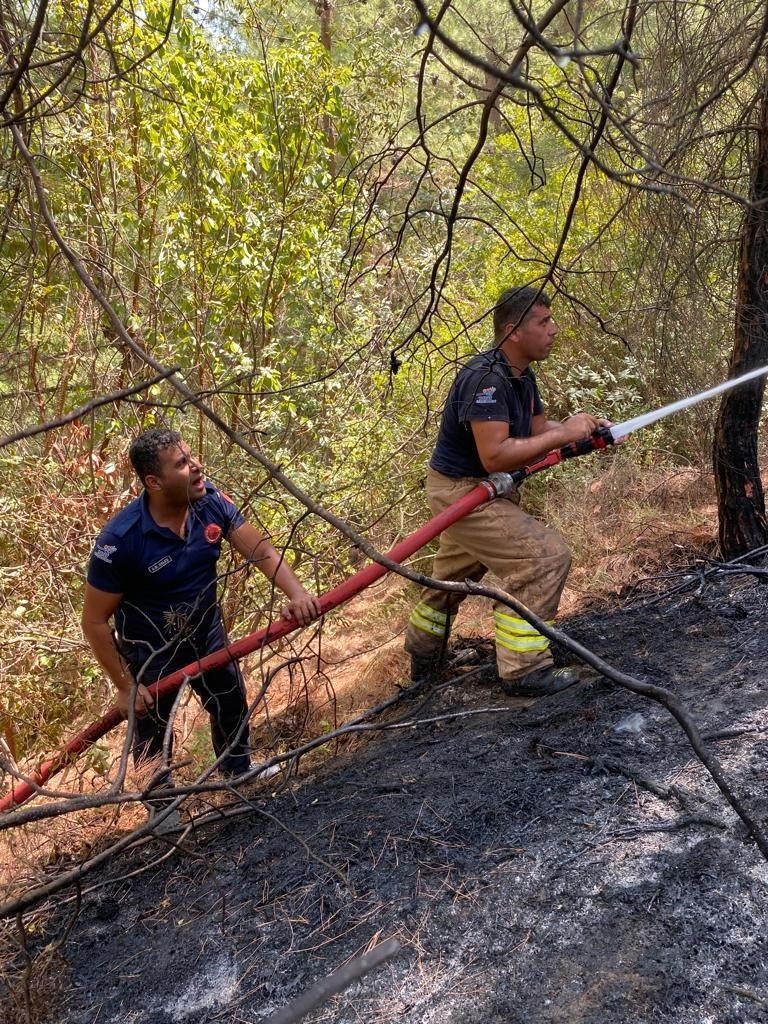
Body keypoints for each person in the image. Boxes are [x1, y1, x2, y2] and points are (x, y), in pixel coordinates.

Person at [404, 286, 612, 697]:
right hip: (461, 492)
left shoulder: (520, 376)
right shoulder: (486, 380)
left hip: (485, 491)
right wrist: (564, 434)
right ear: (514, 330)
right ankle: (524, 670)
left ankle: (423, 662)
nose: (554, 329)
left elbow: (537, 432)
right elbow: (496, 455)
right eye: (544, 321)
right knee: (544, 557)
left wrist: (583, 430)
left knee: (451, 578)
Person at [82, 428, 321, 782]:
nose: (196, 467)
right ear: (154, 481)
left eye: (192, 457)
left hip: (207, 636)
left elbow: (262, 551)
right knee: (153, 731)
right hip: (151, 655)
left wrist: (297, 594)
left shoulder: (211, 503)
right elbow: (95, 622)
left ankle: (238, 773)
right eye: (182, 464)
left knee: (230, 701)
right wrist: (124, 685)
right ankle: (161, 808)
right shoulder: (119, 541)